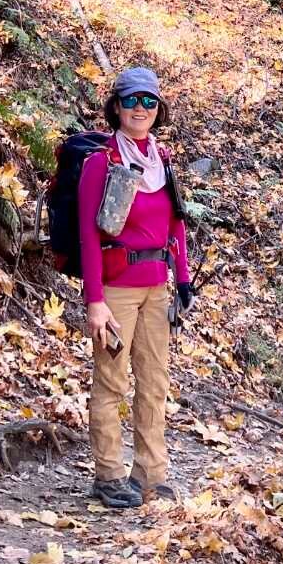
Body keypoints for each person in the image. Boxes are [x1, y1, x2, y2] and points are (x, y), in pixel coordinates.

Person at [79, 66, 192, 509]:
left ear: (159, 109)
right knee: (112, 382)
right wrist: (95, 301)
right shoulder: (101, 163)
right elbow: (89, 236)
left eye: (149, 101)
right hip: (116, 292)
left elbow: (176, 225)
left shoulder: (162, 161)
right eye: (131, 100)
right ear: (117, 107)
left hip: (156, 290)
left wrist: (183, 279)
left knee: (154, 381)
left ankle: (150, 473)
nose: (140, 109)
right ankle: (109, 475)